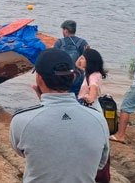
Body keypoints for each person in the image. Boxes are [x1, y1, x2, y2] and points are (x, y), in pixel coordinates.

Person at [10, 49, 109, 183]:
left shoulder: (21, 120)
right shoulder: (99, 121)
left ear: (39, 78)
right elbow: (100, 164)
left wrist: (43, 108)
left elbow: (22, 151)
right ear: (74, 77)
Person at [53, 20, 89, 97]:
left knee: (61, 98)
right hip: (78, 77)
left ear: (65, 31)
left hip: (61, 77)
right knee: (77, 99)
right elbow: (87, 60)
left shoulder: (59, 42)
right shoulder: (82, 43)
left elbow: (54, 60)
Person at [77, 48, 107, 113]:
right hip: (94, 105)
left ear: (88, 61)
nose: (81, 60)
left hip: (89, 108)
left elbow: (91, 98)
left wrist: (84, 97)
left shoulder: (92, 76)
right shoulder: (93, 73)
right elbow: (77, 64)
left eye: (82, 59)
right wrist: (84, 52)